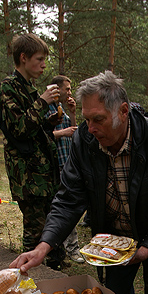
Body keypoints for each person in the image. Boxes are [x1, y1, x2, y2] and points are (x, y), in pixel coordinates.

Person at [10, 70, 148, 294]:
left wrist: (147, 248)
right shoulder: (84, 140)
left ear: (123, 111)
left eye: (99, 120)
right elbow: (69, 197)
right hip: (111, 244)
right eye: (87, 119)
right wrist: (44, 246)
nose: (91, 128)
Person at [0, 33, 64, 270]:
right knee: (35, 231)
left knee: (53, 224)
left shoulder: (30, 88)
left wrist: (52, 121)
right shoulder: (8, 87)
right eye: (39, 59)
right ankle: (29, 275)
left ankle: (55, 272)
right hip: (28, 177)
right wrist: (43, 102)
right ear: (23, 58)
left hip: (45, 172)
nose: (44, 65)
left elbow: (36, 130)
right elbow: (18, 129)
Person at [47, 74, 84, 263]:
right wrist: (62, 133)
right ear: (57, 89)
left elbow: (74, 132)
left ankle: (68, 249)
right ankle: (65, 250)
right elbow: (42, 135)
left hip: (68, 162)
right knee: (63, 206)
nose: (69, 92)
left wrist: (73, 113)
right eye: (67, 89)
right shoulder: (46, 108)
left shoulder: (62, 109)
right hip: (55, 166)